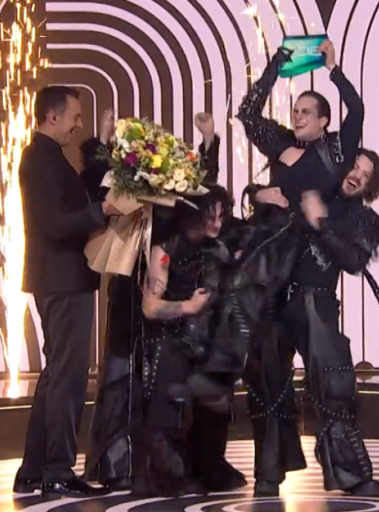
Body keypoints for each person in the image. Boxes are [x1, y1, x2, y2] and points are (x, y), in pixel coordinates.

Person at [188, 38, 363, 399]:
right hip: (271, 268)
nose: (297, 116)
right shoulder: (281, 142)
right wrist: (275, 66)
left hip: (312, 271)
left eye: (306, 112)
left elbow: (357, 110)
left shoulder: (336, 149)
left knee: (324, 370)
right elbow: (248, 113)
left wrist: (332, 68)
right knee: (267, 369)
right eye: (295, 110)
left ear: (324, 121)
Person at [84, 113, 243, 494]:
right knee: (125, 374)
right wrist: (101, 144)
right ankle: (120, 462)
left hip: (170, 302)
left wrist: (210, 140)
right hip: (133, 288)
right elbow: (96, 190)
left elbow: (207, 194)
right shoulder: (128, 199)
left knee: (177, 387)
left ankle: (189, 462)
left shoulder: (181, 210)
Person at [244, 149, 379, 498]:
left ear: (370, 186)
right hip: (276, 300)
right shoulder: (305, 190)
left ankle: (351, 474)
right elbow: (261, 208)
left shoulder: (364, 219)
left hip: (317, 303)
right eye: (355, 167)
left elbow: (353, 261)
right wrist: (258, 195)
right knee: (267, 384)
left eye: (366, 175)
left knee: (334, 388)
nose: (357, 175)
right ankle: (268, 474)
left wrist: (320, 223)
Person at [13, 85, 119, 497]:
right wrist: (101, 211)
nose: (79, 124)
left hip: (60, 279)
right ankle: (57, 469)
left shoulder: (48, 157)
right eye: (75, 116)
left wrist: (103, 148)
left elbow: (72, 203)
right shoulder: (39, 159)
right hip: (61, 279)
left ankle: (35, 469)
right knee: (68, 377)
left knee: (57, 374)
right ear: (52, 116)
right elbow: (57, 223)